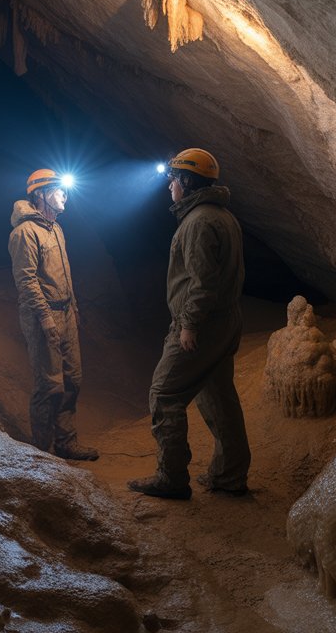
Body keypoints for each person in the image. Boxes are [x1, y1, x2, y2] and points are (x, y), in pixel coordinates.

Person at [128, 148, 251, 500]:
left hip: (203, 324)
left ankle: (171, 478)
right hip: (225, 320)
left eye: (174, 179)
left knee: (164, 394)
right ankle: (230, 475)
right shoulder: (223, 216)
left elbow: (202, 283)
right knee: (218, 395)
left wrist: (189, 325)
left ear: (187, 181)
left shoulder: (198, 222)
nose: (170, 185)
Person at [9, 168, 99, 461]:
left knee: (73, 379)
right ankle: (42, 450)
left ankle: (65, 443)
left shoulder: (56, 229)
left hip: (65, 312)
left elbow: (65, 274)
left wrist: (74, 308)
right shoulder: (25, 233)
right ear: (41, 194)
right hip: (42, 315)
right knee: (50, 384)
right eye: (59, 190)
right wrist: (45, 317)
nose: (64, 196)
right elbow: (26, 281)